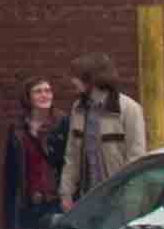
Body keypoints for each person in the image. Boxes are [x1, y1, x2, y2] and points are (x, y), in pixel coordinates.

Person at [58, 51, 150, 212]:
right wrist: (66, 193)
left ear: (90, 78)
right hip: (87, 198)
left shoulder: (129, 109)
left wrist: (128, 198)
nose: (72, 81)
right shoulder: (77, 109)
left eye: (76, 76)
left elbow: (136, 158)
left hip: (120, 199)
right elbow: (71, 155)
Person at [0, 75, 64, 229]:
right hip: (28, 200)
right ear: (28, 97)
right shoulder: (18, 128)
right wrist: (10, 211)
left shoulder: (62, 123)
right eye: (38, 92)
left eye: (48, 91)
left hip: (55, 199)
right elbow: (11, 171)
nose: (44, 95)